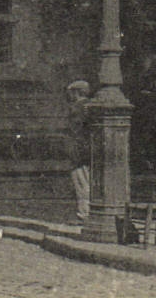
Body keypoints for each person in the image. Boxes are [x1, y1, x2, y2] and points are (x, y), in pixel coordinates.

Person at [65, 79, 91, 223]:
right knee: (87, 181)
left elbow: (75, 132)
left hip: (79, 151)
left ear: (77, 92)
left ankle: (84, 214)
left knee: (81, 183)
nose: (70, 96)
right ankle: (86, 212)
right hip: (89, 151)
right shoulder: (90, 106)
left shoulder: (77, 108)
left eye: (72, 93)